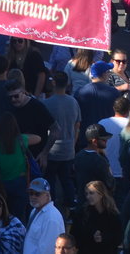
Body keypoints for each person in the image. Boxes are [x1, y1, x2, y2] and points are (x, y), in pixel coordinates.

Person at [43, 70, 83, 212]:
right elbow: (77, 125)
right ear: (67, 84)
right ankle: (70, 207)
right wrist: (73, 143)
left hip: (52, 150)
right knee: (67, 180)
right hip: (68, 149)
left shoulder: (46, 103)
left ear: (53, 83)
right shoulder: (73, 102)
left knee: (50, 179)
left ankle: (50, 206)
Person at [72, 181, 123, 254]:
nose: (88, 196)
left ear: (101, 194)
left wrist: (103, 237)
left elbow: (118, 237)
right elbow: (75, 234)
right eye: (86, 194)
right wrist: (92, 235)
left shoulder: (112, 215)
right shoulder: (83, 213)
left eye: (91, 193)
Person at [73, 126, 115, 202]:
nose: (106, 141)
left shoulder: (78, 156)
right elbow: (110, 184)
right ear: (94, 141)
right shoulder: (100, 160)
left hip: (82, 199)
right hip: (97, 203)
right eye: (104, 140)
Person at [76, 61, 121, 130]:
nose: (109, 74)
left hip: (85, 133)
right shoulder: (114, 93)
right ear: (103, 74)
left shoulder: (80, 92)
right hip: (106, 133)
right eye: (108, 72)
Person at [24, 179, 65, 254]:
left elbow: (48, 250)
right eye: (31, 193)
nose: (33, 196)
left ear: (47, 195)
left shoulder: (52, 218)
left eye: (37, 194)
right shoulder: (34, 211)